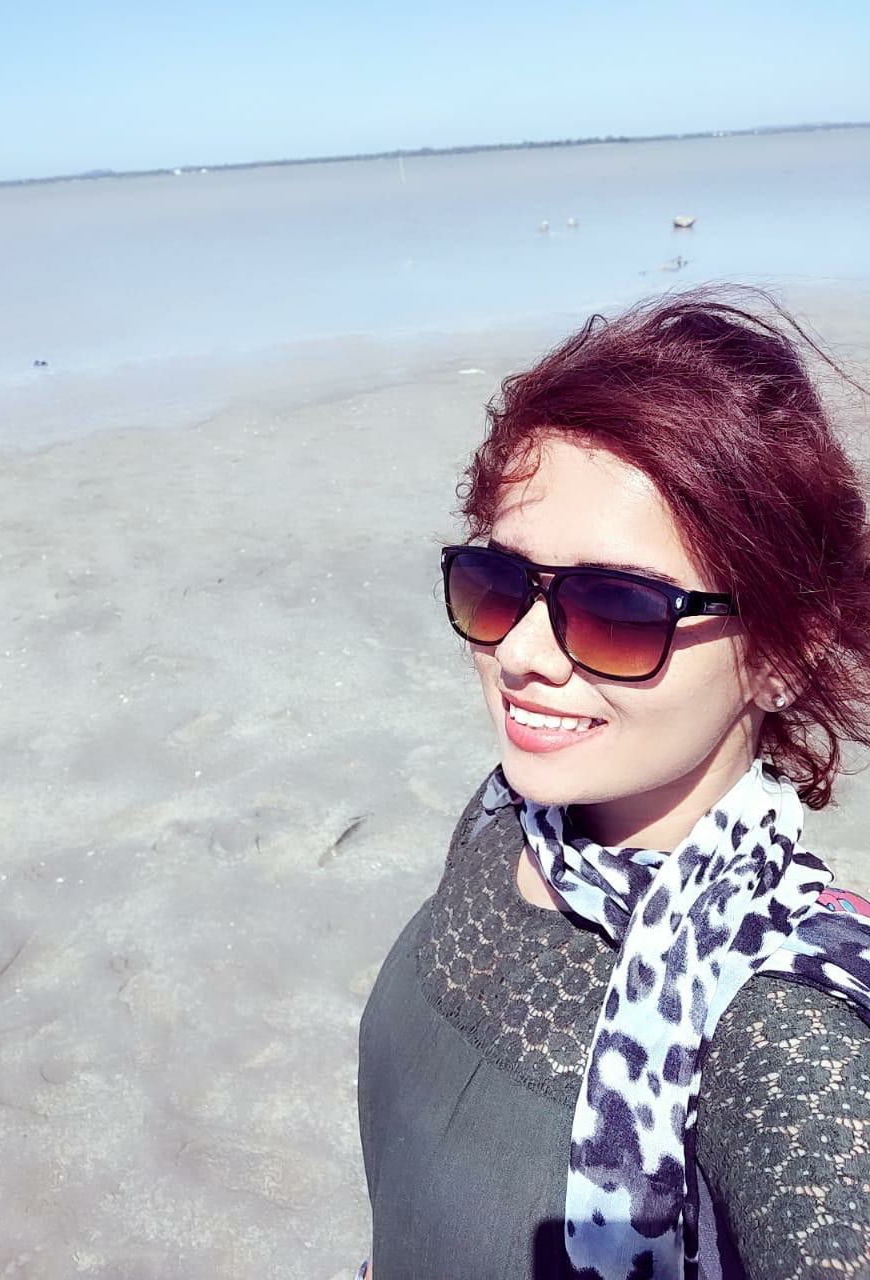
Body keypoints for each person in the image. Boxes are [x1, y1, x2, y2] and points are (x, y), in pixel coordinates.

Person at [355, 288, 870, 1280]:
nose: (522, 653)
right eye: (500, 584)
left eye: (617, 610)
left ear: (783, 653)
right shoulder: (508, 814)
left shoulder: (781, 1034)